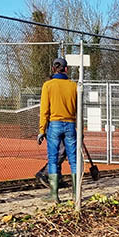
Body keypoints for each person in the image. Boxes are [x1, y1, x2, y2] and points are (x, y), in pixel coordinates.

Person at [36, 56, 79, 203]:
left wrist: (42, 129)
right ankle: (76, 194)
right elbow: (78, 109)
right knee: (73, 160)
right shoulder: (74, 86)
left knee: (53, 159)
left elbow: (44, 110)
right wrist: (80, 128)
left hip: (54, 125)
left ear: (54, 69)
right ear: (66, 69)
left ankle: (54, 195)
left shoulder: (48, 86)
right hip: (71, 124)